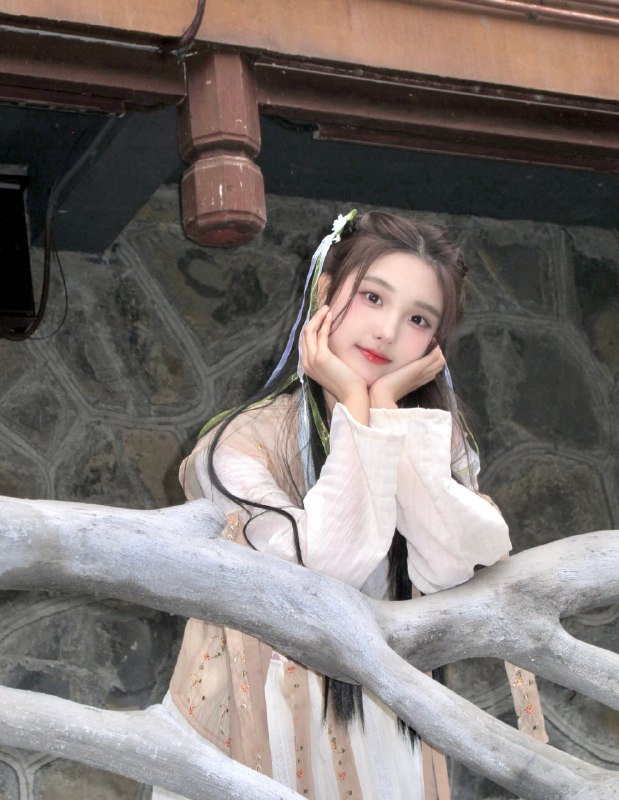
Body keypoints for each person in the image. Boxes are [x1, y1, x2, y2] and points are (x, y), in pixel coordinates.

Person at [153, 210, 512, 800]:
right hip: (258, 717)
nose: (387, 332)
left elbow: (459, 562)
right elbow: (324, 572)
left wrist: (385, 412)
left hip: (386, 725)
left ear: (434, 343)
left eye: (418, 319)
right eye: (373, 297)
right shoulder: (240, 442)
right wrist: (353, 402)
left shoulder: (431, 437)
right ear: (326, 291)